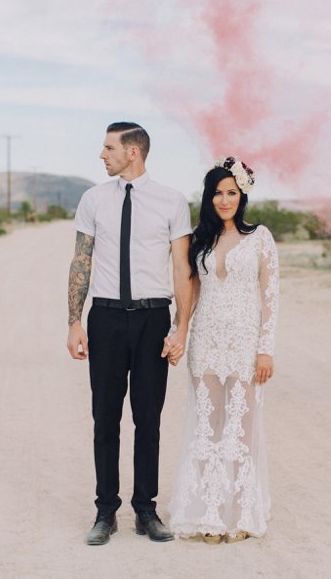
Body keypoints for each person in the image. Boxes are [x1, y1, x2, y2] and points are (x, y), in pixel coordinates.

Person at [66, 122, 192, 546]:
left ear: (133, 152)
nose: (102, 155)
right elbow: (81, 260)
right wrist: (74, 321)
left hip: (152, 320)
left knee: (148, 418)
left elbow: (181, 269)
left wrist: (180, 328)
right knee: (105, 417)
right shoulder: (93, 199)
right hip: (105, 319)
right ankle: (105, 511)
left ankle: (146, 510)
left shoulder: (172, 202)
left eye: (108, 147)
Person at [167, 157, 279, 544]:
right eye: (217, 193)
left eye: (231, 192)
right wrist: (178, 331)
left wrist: (265, 350)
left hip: (246, 343)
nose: (224, 199)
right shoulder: (200, 238)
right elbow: (190, 292)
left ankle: (243, 513)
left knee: (240, 428)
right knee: (206, 427)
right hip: (206, 342)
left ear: (242, 195)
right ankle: (209, 513)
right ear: (208, 197)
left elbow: (270, 296)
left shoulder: (260, 237)